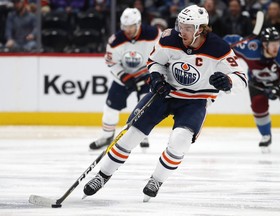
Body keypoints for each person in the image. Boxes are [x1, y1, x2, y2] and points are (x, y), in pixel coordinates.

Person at [82, 5, 247, 202]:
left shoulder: (219, 48)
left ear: (200, 29)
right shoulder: (169, 38)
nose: (181, 30)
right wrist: (157, 78)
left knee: (180, 140)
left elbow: (241, 79)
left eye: (187, 27)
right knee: (131, 134)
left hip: (195, 101)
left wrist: (228, 82)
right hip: (164, 94)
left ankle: (156, 180)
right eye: (180, 25)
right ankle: (102, 175)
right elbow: (154, 62)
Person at [89, 7, 161, 150]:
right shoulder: (115, 40)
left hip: (145, 75)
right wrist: (126, 77)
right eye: (124, 27)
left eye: (131, 27)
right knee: (111, 106)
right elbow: (111, 62)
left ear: (139, 23)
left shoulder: (153, 34)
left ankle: (142, 134)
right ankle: (107, 135)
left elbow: (162, 53)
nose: (127, 30)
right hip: (123, 77)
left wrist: (151, 73)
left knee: (144, 105)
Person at [224, 27, 280, 151]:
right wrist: (222, 46)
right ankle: (266, 135)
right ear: (264, 44)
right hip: (258, 84)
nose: (276, 47)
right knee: (258, 105)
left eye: (278, 43)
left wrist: (279, 89)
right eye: (273, 44)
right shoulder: (250, 49)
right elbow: (228, 40)